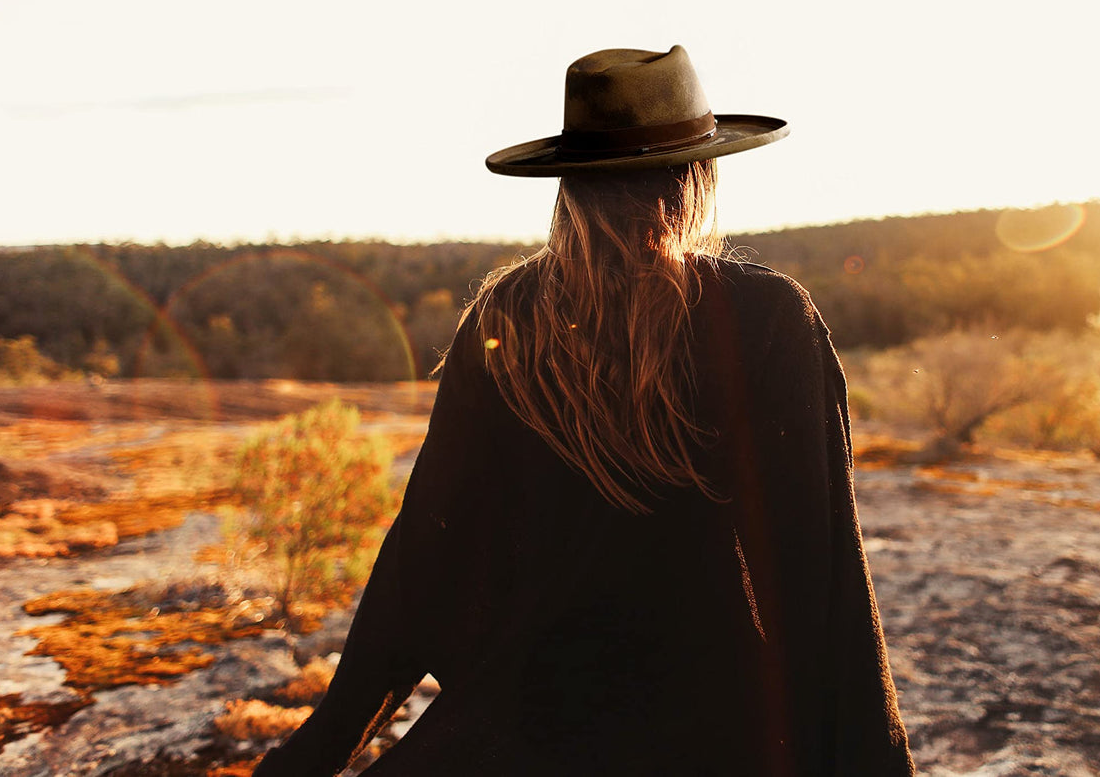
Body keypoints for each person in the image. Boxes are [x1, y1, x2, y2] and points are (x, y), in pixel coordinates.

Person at [252, 46, 914, 776]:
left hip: (518, 730)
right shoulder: (762, 317)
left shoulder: (504, 318)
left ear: (568, 185)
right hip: (708, 730)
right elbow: (817, 576)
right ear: (696, 175)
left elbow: (424, 557)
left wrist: (313, 755)